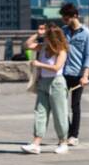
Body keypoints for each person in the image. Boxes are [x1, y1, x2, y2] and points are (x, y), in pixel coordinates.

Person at [22, 24, 70, 153]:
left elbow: (56, 67)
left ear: (53, 38)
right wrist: (38, 34)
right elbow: (27, 45)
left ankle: (63, 141)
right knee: (40, 111)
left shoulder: (61, 50)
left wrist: (39, 64)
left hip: (57, 83)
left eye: (47, 36)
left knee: (59, 113)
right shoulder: (43, 47)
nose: (45, 39)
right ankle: (36, 142)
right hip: (43, 82)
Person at [60, 3, 89, 147]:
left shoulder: (86, 33)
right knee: (62, 105)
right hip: (63, 73)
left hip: (78, 74)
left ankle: (74, 135)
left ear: (75, 16)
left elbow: (88, 56)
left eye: (66, 18)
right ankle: (66, 133)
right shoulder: (63, 31)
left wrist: (85, 75)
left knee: (75, 105)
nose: (64, 21)